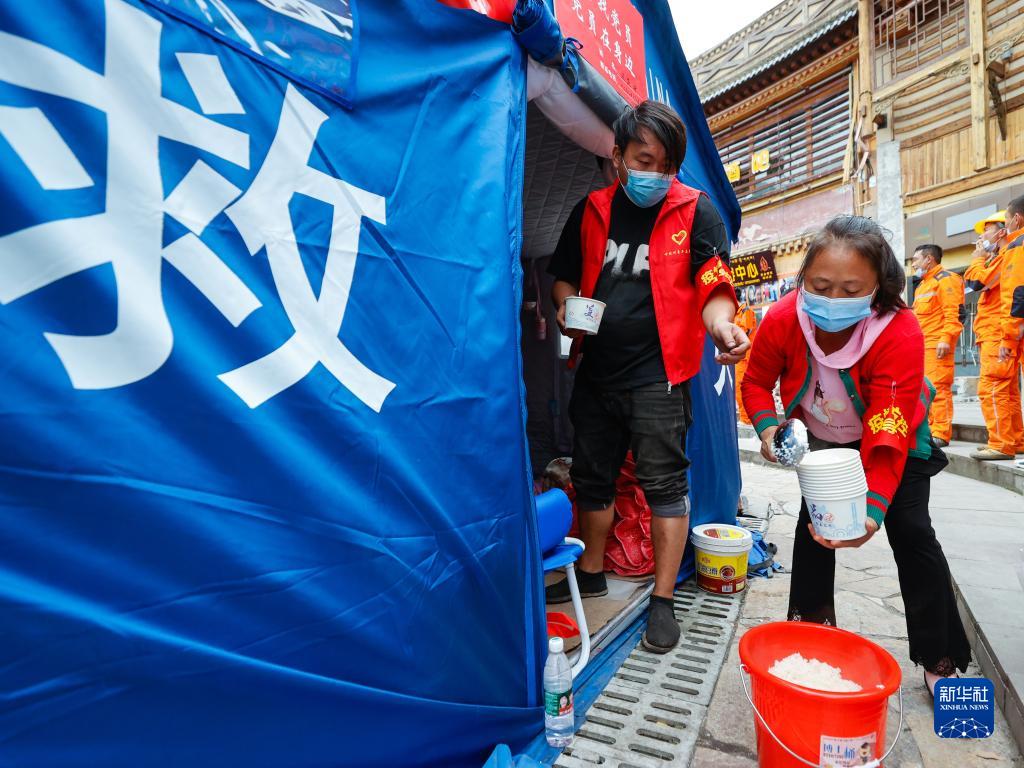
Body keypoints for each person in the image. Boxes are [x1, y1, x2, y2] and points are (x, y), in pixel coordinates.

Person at [545, 100, 749, 654]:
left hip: (660, 375)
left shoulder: (696, 212)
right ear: (617, 157)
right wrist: (566, 306)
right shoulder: (590, 211)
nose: (655, 175)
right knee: (593, 478)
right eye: (644, 160)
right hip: (595, 371)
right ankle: (588, 572)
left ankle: (662, 599)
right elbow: (561, 278)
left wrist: (723, 329)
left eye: (666, 165)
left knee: (664, 485)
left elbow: (713, 289)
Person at [741, 215, 971, 694]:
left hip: (896, 437)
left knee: (910, 531)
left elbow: (888, 431)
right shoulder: (784, 317)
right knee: (814, 530)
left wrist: (870, 514)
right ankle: (809, 634)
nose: (832, 300)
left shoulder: (899, 330)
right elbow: (757, 382)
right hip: (823, 442)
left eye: (851, 289)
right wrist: (768, 429)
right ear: (803, 278)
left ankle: (940, 657)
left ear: (879, 287)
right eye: (820, 285)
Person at [966, 211, 1023, 460]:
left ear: (1002, 230)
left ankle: (1000, 443)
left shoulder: (1008, 253)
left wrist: (977, 259)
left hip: (997, 331)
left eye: (987, 230)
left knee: (992, 387)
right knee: (1007, 390)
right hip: (998, 330)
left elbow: (977, 282)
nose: (982, 236)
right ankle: (1015, 440)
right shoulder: (1001, 256)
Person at [910, 244, 964, 447]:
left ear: (929, 259)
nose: (914, 264)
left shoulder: (946, 279)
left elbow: (954, 313)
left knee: (939, 387)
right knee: (926, 389)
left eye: (916, 259)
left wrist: (946, 338)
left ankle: (941, 432)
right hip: (924, 345)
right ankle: (932, 427)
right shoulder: (924, 284)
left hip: (937, 343)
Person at [998, 197, 1024, 432]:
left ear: (1017, 219)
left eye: (1006, 221)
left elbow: (1017, 293)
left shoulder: (1018, 247)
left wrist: (1008, 338)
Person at [733, 287, 758, 425]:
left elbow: (744, 333)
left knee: (742, 388)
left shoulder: (746, 311)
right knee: (738, 389)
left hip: (746, 358)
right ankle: (745, 418)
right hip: (739, 358)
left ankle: (747, 420)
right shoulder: (735, 314)